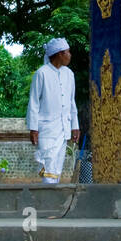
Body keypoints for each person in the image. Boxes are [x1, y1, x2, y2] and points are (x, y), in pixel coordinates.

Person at [26, 37, 80, 185]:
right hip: (47, 130)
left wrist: (75, 126)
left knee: (57, 167)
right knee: (47, 164)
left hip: (63, 129)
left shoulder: (69, 74)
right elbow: (34, 103)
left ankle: (52, 199)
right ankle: (47, 198)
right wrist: (33, 128)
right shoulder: (41, 73)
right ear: (59, 54)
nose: (70, 55)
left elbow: (71, 102)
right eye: (67, 52)